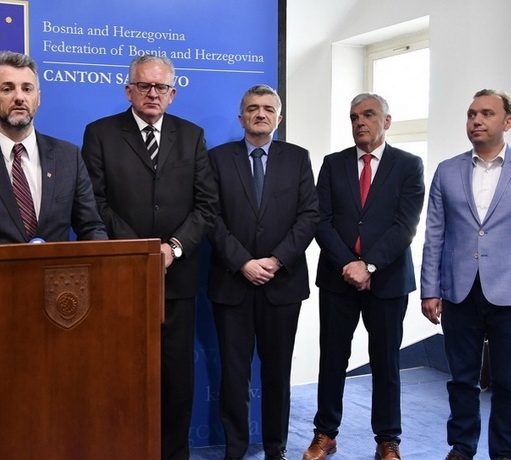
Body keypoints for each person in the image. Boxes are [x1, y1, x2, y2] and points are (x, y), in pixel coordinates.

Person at [81, 54, 217, 460]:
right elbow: (93, 203)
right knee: (122, 376)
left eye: (161, 87)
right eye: (144, 86)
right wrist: (140, 249)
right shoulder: (100, 134)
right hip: (121, 276)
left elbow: (207, 206)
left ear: (172, 94)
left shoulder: (192, 136)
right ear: (129, 90)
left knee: (177, 379)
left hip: (177, 278)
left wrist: (172, 248)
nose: (153, 93)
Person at [0, 51, 107, 310]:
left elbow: (91, 227)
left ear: (38, 98)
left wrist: (100, 270)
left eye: (27, 88)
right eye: (7, 89)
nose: (19, 97)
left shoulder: (68, 156)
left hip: (61, 299)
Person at [304, 93, 425, 460]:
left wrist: (369, 265)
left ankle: (388, 439)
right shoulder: (333, 164)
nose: (360, 122)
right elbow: (320, 220)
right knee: (332, 358)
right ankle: (325, 433)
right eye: (354, 116)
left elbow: (405, 225)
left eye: (369, 115)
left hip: (387, 281)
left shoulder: (409, 165)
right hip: (338, 279)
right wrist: (349, 264)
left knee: (386, 361)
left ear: (386, 121)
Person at [207, 84, 319, 460]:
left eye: (268, 109)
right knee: (234, 373)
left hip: (282, 283)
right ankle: (235, 448)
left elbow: (309, 216)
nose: (260, 114)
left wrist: (276, 259)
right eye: (253, 108)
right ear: (241, 117)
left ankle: (275, 448)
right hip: (232, 282)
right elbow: (211, 217)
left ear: (279, 118)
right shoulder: (218, 159)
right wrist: (243, 262)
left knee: (277, 373)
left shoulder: (298, 158)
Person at [421, 89, 511, 460]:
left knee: (508, 383)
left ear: (507, 122)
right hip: (459, 292)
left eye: (486, 113)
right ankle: (462, 448)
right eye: (471, 114)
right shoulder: (447, 170)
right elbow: (435, 233)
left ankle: (504, 453)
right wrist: (429, 289)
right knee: (462, 380)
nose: (477, 120)